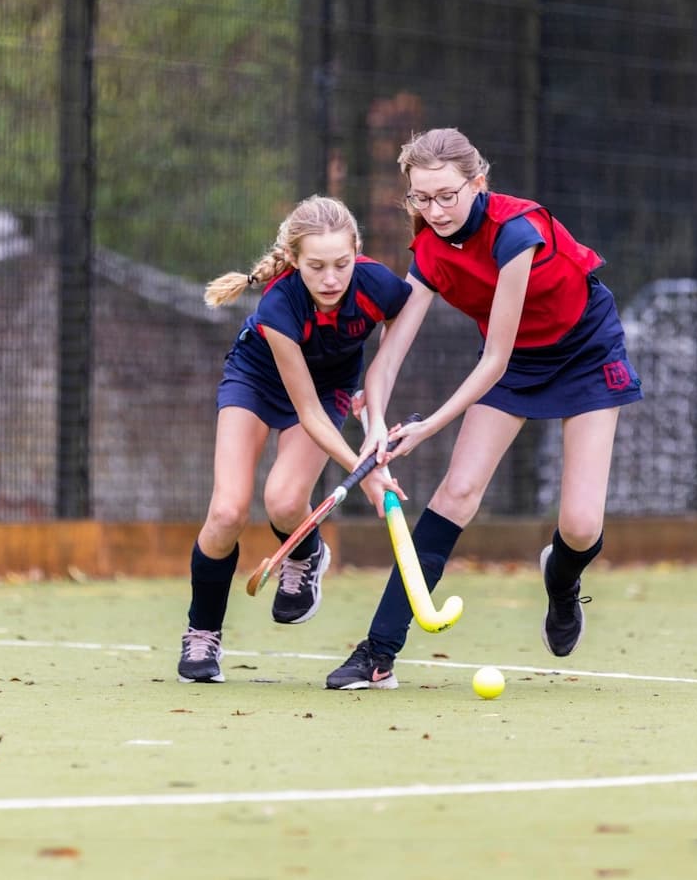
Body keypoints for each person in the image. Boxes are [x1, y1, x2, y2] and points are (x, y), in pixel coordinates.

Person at [326, 128, 642, 690]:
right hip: (519, 361)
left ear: (478, 183)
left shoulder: (515, 233)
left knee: (580, 523)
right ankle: (378, 652)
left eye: (448, 195)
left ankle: (562, 582)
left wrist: (425, 428)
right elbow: (387, 358)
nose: (436, 209)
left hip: (584, 350)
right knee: (456, 493)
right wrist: (375, 423)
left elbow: (493, 359)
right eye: (421, 198)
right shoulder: (427, 248)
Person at [177, 195, 413, 683]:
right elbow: (306, 413)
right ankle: (202, 635)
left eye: (342, 265)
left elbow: (397, 330)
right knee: (226, 512)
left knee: (285, 502)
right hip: (258, 380)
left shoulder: (378, 285)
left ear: (358, 254)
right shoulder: (279, 304)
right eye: (316, 267)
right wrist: (364, 472)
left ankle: (304, 554)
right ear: (294, 262)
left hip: (330, 386)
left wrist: (374, 387)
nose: (331, 279)